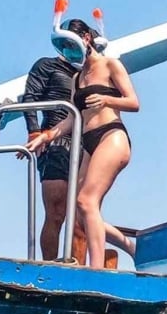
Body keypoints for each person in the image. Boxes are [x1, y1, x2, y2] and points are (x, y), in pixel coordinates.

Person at [25, 20, 138, 267]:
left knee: (87, 201)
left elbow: (133, 102)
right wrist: (43, 136)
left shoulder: (110, 64)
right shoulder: (77, 77)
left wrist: (108, 100)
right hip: (87, 141)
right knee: (79, 213)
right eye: (64, 47)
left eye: (71, 44)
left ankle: (96, 269)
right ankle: (132, 247)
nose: (68, 51)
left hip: (111, 136)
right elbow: (71, 118)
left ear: (86, 38)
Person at [21, 18, 87, 261]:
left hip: (84, 144)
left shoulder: (89, 72)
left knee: (81, 215)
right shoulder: (47, 65)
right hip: (55, 143)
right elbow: (30, 97)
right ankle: (48, 266)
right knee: (57, 212)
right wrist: (34, 132)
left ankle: (79, 270)